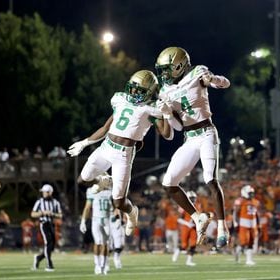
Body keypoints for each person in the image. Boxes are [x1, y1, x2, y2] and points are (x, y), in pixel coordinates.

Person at [67, 70, 172, 238]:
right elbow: (105, 127)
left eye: (140, 90)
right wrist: (84, 143)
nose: (134, 93)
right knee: (82, 179)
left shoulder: (152, 108)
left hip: (123, 156)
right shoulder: (120, 100)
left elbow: (167, 134)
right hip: (105, 147)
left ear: (150, 92)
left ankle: (132, 212)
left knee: (118, 202)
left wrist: (166, 114)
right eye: (133, 88)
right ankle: (102, 180)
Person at [154, 46, 231, 248]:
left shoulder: (197, 71)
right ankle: (198, 217)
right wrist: (168, 114)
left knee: (210, 179)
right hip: (190, 138)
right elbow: (178, 128)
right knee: (169, 182)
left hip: (206, 133)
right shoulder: (165, 91)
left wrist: (212, 79)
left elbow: (226, 83)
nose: (164, 73)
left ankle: (223, 228)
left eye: (167, 68)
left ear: (179, 65)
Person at [80, 182, 112, 275]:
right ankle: (97, 265)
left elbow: (116, 206)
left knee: (106, 244)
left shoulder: (110, 192)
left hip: (106, 220)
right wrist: (83, 221)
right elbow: (87, 208)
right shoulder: (91, 191)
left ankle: (104, 264)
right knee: (98, 242)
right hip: (96, 220)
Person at [30, 184, 63, 272]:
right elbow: (33, 214)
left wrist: (52, 214)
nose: (43, 194)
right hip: (43, 224)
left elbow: (60, 215)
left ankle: (38, 258)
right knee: (48, 243)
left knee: (51, 247)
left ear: (49, 192)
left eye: (45, 192)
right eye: (43, 192)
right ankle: (49, 265)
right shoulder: (39, 202)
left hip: (51, 224)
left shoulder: (55, 202)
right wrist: (42, 213)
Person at [233, 185, 260, 266]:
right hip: (243, 224)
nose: (252, 195)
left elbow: (256, 214)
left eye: (252, 193)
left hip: (253, 224)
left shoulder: (255, 201)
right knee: (244, 242)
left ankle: (249, 260)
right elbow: (236, 213)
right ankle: (238, 250)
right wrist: (236, 223)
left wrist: (258, 224)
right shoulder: (240, 201)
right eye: (250, 193)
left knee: (251, 242)